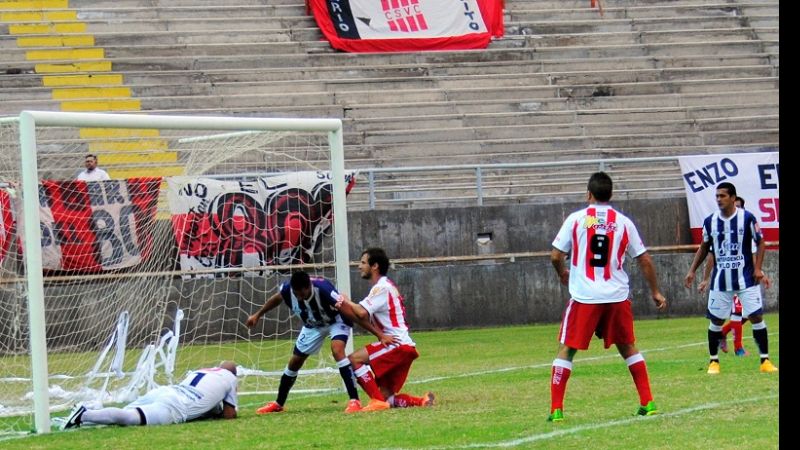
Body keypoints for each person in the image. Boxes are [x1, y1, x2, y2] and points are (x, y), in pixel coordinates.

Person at [548, 172, 667, 422]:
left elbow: (556, 255)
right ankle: (648, 402)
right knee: (628, 347)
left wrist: (562, 274)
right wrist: (655, 290)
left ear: (588, 194)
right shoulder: (623, 222)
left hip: (585, 297)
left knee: (567, 350)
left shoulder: (576, 219)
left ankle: (556, 409)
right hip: (615, 296)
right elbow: (644, 259)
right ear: (610, 195)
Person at [245, 270, 386, 414]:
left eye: (302, 294)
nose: (299, 297)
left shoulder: (324, 289)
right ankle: (278, 403)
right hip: (313, 325)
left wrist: (378, 334)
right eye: (296, 294)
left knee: (337, 349)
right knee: (295, 361)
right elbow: (277, 298)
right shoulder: (288, 289)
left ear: (308, 288)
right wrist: (258, 315)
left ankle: (354, 400)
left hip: (336, 320)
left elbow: (349, 312)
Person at [684, 182, 777, 375]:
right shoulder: (710, 221)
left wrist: (758, 268)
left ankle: (765, 360)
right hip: (720, 280)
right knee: (716, 321)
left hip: (746, 278)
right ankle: (713, 362)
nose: (719, 199)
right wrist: (693, 270)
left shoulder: (747, 218)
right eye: (717, 196)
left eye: (723, 196)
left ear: (733, 198)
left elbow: (760, 243)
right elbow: (704, 247)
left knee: (756, 316)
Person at [334, 247, 435, 412]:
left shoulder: (381, 288)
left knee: (354, 359)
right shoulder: (386, 286)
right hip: (403, 345)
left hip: (396, 344)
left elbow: (360, 312)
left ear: (375, 266)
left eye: (363, 262)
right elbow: (362, 316)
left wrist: (345, 300)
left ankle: (376, 401)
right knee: (387, 397)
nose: (359, 266)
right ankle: (421, 401)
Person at [61, 361, 238, 429]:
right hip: (174, 406)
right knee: (128, 418)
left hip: (165, 391)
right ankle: (84, 414)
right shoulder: (230, 378)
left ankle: (85, 414)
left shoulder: (203, 369)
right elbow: (229, 415)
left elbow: (209, 404)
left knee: (124, 414)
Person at [698, 196, 771, 357]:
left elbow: (754, 255)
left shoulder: (746, 229)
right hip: (725, 280)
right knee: (738, 312)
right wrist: (705, 278)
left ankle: (724, 333)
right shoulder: (721, 230)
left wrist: (761, 272)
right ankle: (737, 347)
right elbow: (711, 255)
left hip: (745, 278)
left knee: (748, 314)